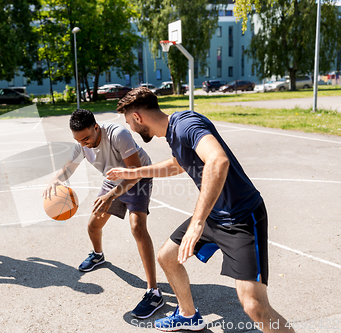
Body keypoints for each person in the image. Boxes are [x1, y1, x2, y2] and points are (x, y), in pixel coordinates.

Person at [107, 87, 295, 332]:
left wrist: (197, 222)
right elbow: (177, 165)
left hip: (241, 218)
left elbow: (218, 160)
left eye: (128, 122)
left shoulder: (186, 124)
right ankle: (188, 315)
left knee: (254, 307)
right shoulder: (173, 134)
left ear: (138, 118)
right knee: (167, 257)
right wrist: (134, 172)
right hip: (214, 215)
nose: (130, 128)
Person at [43, 109, 164, 319]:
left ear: (96, 127)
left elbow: (134, 171)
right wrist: (56, 179)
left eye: (86, 138)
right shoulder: (82, 143)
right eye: (78, 140)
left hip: (138, 176)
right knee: (93, 225)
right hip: (113, 179)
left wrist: (110, 196)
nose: (83, 143)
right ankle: (98, 256)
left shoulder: (118, 134)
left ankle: (154, 292)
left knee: (137, 227)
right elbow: (69, 168)